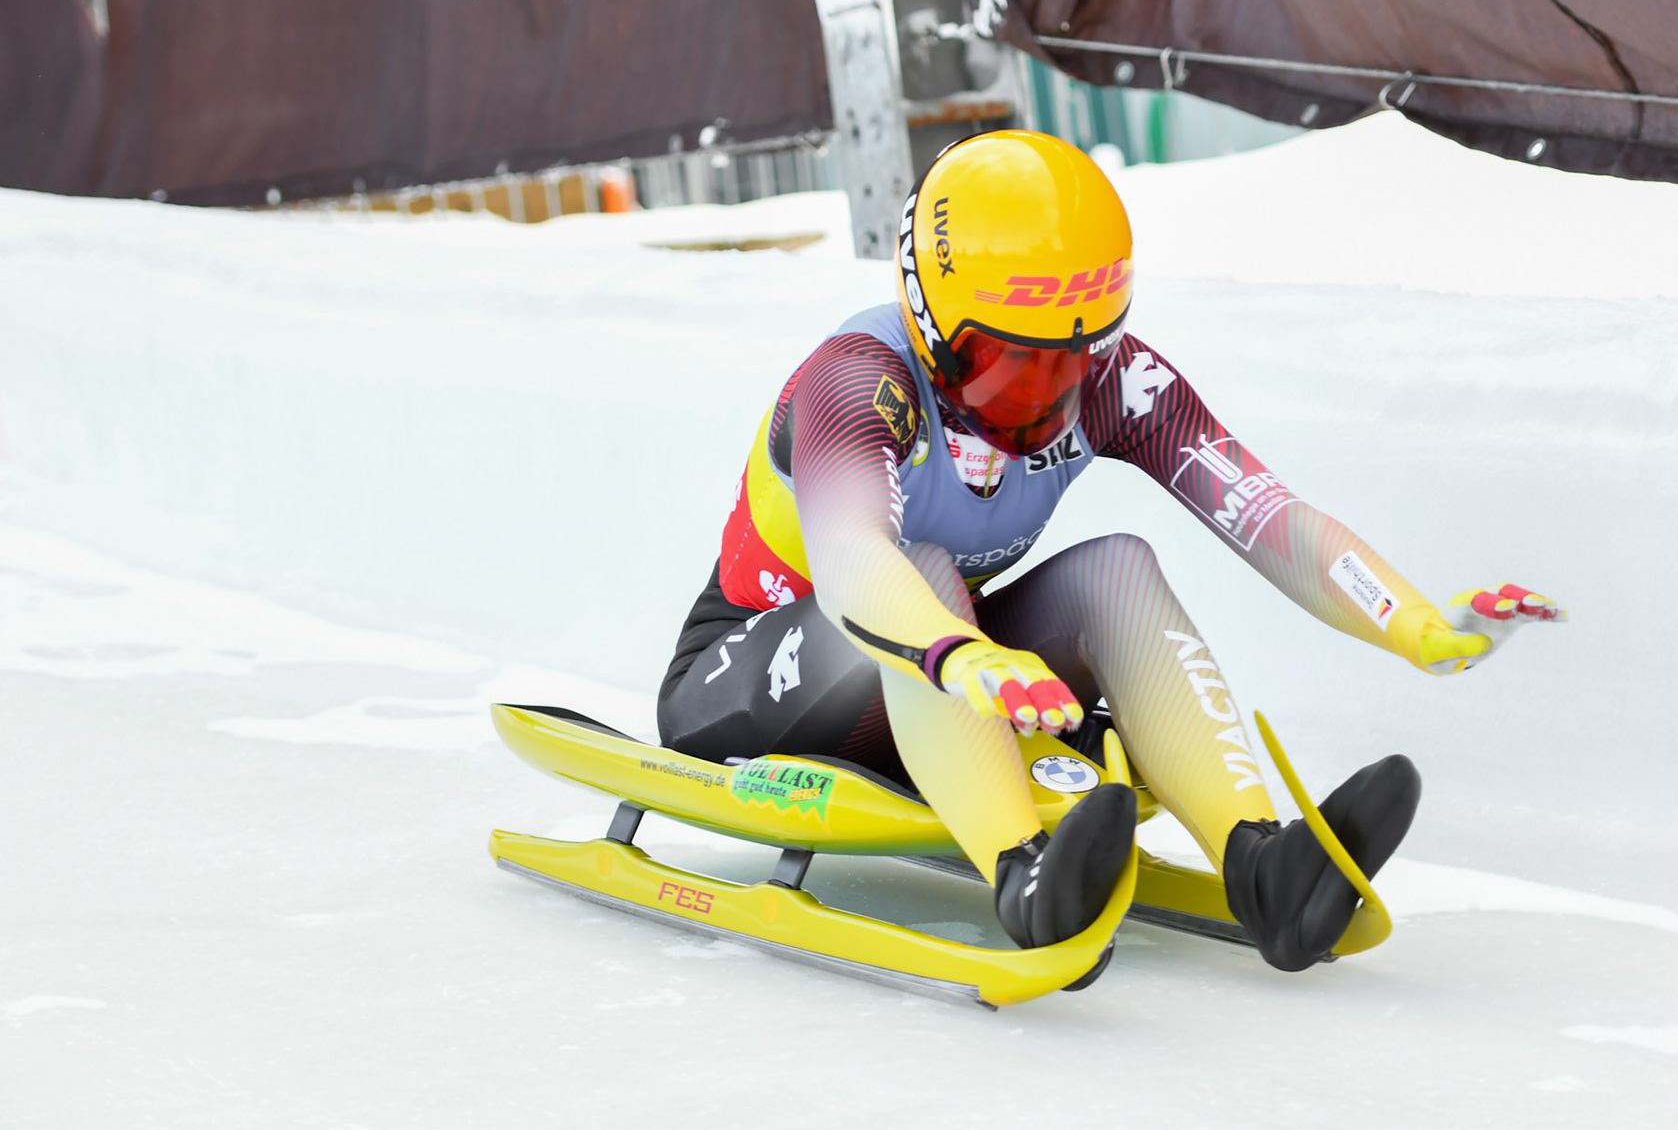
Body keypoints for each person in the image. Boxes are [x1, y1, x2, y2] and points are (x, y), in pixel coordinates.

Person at [656, 131, 1563, 973]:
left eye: (1072, 361)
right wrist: (964, 655)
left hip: (940, 675)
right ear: (928, 322)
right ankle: (1024, 876)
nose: (1039, 399)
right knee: (923, 574)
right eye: (1004, 364)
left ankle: (1260, 865)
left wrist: (1413, 623)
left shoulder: (1116, 385)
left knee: (1115, 569)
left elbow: (1264, 514)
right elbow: (854, 559)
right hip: (751, 678)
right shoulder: (856, 382)